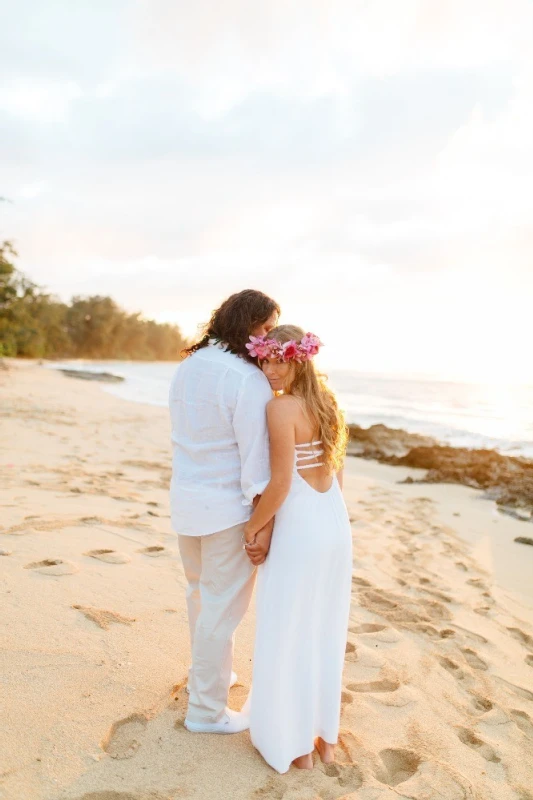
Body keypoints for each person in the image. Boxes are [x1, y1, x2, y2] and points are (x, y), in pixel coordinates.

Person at [240, 325, 352, 772]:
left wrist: (253, 527)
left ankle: (295, 746)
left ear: (299, 359)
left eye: (279, 359)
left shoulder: (280, 407)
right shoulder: (328, 403)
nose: (270, 369)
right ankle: (324, 737)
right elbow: (336, 474)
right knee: (323, 628)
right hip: (334, 524)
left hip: (302, 528)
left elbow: (282, 482)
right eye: (265, 360)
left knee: (287, 630)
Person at [169, 289, 280, 734]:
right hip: (226, 508)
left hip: (187, 501)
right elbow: (255, 464)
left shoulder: (188, 366)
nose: (269, 341)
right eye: (267, 329)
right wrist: (262, 524)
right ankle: (206, 711)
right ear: (248, 324)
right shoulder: (246, 378)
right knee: (220, 607)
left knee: (201, 596)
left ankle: (209, 678)